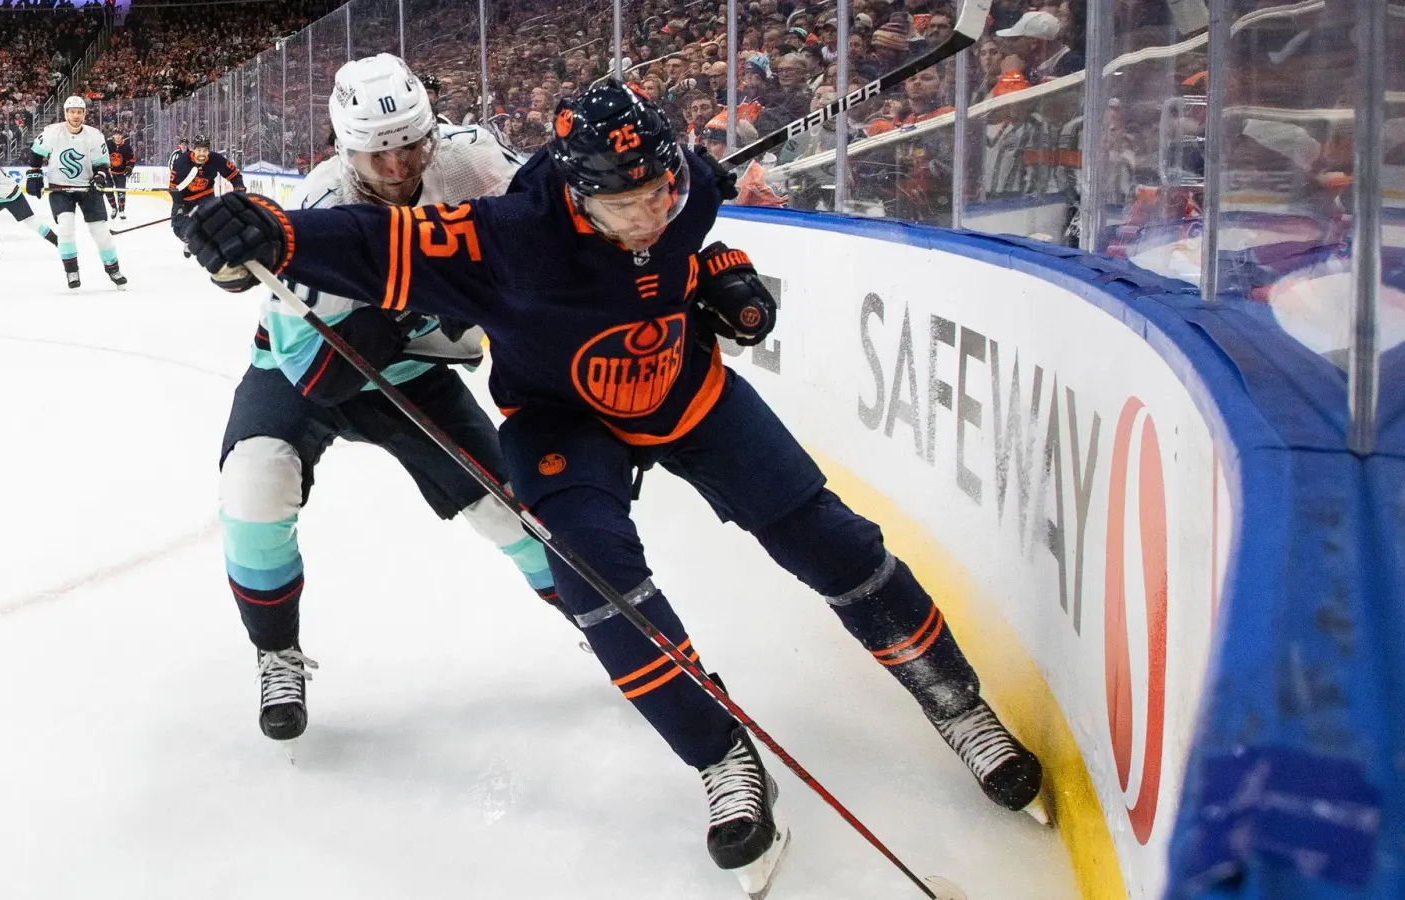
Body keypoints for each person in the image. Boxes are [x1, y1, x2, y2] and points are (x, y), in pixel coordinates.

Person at [182, 81, 1043, 893]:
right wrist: (267, 230)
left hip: (687, 393)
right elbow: (377, 241)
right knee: (605, 593)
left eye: (660, 194)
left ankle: (955, 703)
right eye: (625, 207)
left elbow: (698, 232)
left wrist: (720, 275)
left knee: (830, 538)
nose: (650, 216)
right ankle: (721, 758)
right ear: (575, 193)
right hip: (563, 426)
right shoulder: (505, 235)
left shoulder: (678, 189)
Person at [209, 54, 563, 744]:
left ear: (432, 129)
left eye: (410, 146)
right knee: (255, 482)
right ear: (345, 149)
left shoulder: (470, 162)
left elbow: (555, 223)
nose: (399, 169)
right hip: (304, 368)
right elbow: (321, 379)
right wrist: (426, 303)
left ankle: (597, 618)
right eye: (378, 155)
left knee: (509, 511)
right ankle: (276, 652)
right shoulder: (320, 209)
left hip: (412, 372)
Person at [26, 95, 126, 290]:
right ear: (66, 113)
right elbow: (36, 153)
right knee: (66, 227)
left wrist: (99, 177)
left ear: (84, 114)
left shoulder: (94, 135)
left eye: (79, 112)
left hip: (87, 188)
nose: (75, 115)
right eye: (72, 112)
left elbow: (102, 165)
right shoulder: (52, 132)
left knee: (101, 231)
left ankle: (113, 269)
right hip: (59, 189)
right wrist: (34, 174)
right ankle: (71, 270)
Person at [169, 135, 243, 257]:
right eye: (199, 150)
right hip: (185, 198)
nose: (202, 154)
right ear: (193, 150)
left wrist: (239, 187)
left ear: (209, 151)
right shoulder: (181, 162)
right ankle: (189, 241)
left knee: (209, 221)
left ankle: (219, 248)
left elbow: (234, 174)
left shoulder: (216, 159)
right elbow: (174, 188)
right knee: (178, 229)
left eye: (205, 150)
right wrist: (180, 207)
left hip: (205, 195)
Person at [104, 128, 135, 219]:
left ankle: (121, 210)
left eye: (119, 134)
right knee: (108, 191)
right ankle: (114, 208)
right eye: (116, 134)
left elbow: (132, 159)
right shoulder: (108, 144)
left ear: (122, 136)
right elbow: (101, 155)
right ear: (113, 135)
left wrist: (129, 168)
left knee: (121, 192)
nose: (117, 136)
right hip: (108, 173)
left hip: (121, 173)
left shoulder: (127, 147)